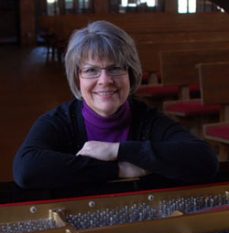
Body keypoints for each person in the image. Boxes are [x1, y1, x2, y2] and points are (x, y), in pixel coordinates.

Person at [13, 20, 218, 189]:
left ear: (131, 74)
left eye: (115, 68)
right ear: (77, 79)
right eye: (91, 70)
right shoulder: (59, 121)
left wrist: (116, 151)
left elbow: (204, 160)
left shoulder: (147, 119)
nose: (105, 80)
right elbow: (26, 170)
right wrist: (118, 170)